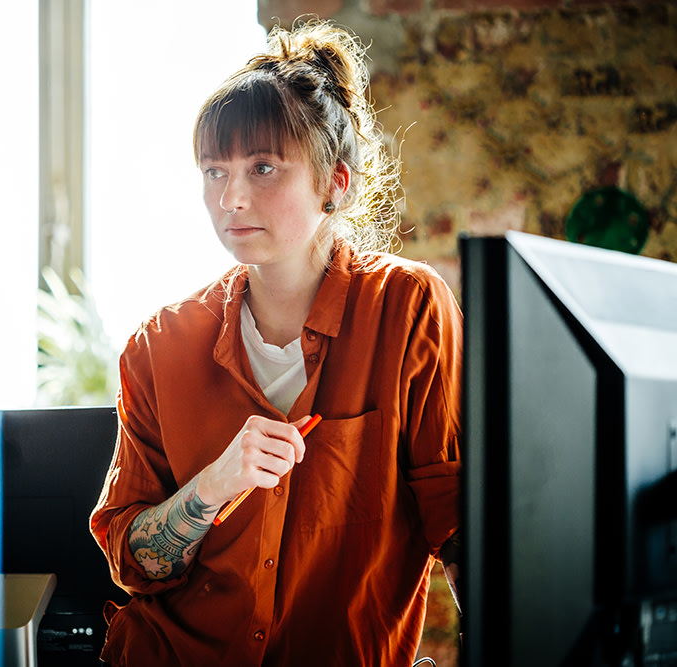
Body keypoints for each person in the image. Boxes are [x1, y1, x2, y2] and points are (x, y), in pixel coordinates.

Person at [90, 18, 462, 666]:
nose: (231, 197)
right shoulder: (159, 345)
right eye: (214, 171)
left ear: (335, 183)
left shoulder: (407, 310)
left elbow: (456, 524)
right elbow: (132, 559)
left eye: (262, 167)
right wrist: (213, 485)